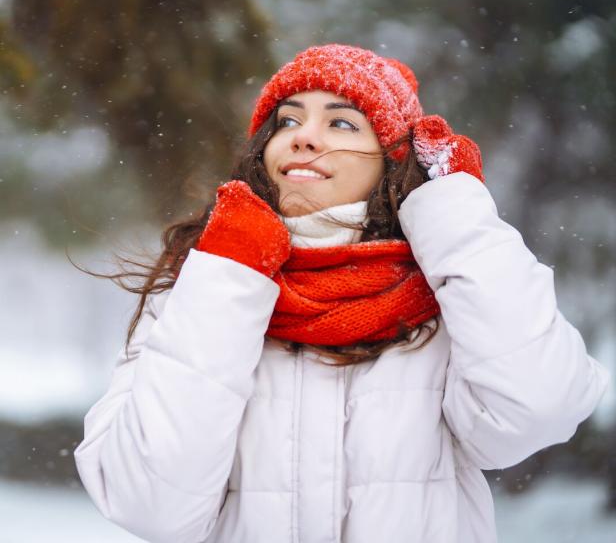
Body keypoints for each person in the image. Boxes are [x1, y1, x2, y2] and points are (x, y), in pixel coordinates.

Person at [73, 43, 610, 543]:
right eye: (288, 120)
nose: (304, 136)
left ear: (391, 161)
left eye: (342, 122)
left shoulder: (448, 304)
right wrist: (230, 273)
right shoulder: (198, 289)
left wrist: (455, 208)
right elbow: (148, 502)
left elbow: (539, 410)